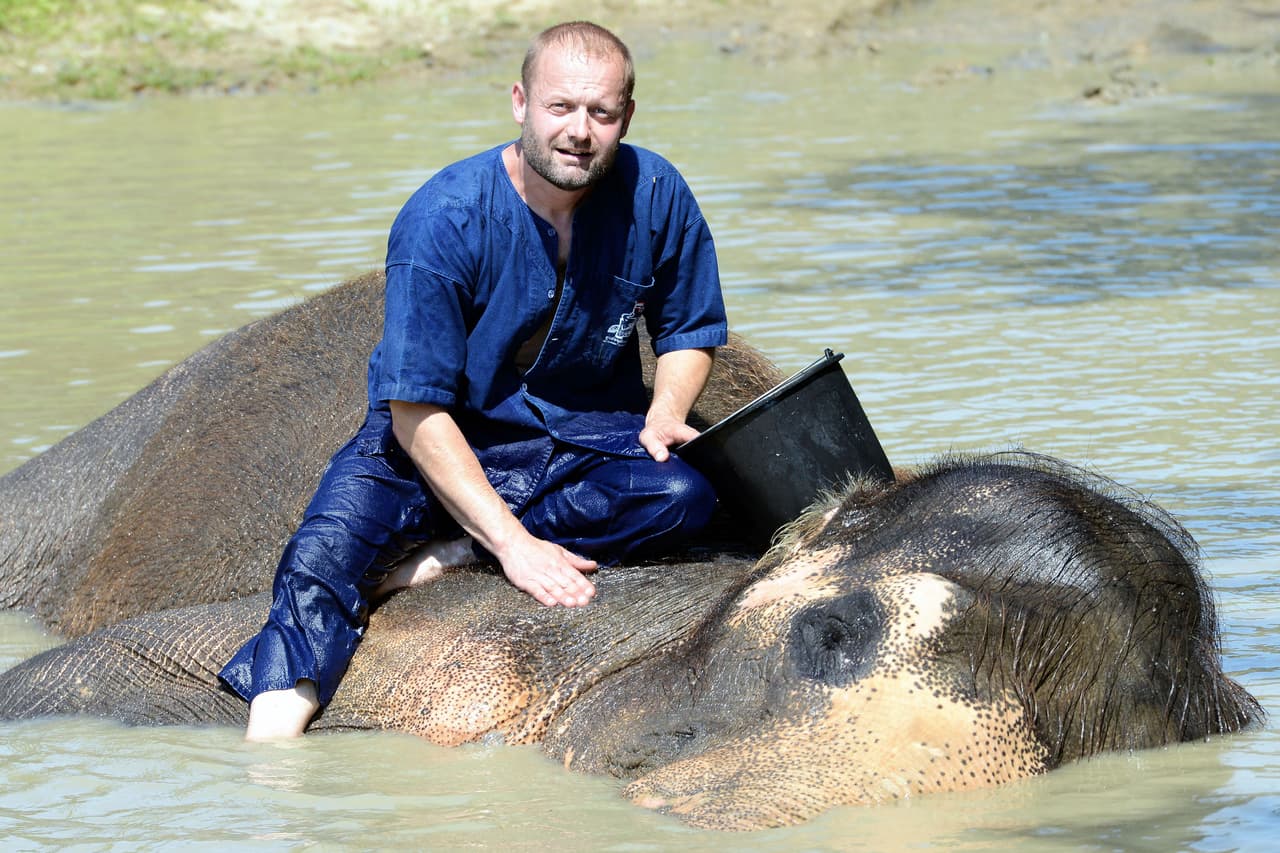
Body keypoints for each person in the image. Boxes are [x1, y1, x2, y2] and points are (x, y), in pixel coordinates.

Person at [219, 21, 729, 740]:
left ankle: (460, 550)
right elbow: (414, 410)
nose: (580, 131)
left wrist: (666, 411)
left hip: (580, 430)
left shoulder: (657, 193)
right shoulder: (445, 218)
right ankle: (270, 763)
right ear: (520, 102)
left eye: (601, 113)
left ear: (626, 118)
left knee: (686, 496)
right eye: (560, 108)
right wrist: (517, 548)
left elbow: (690, 330)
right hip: (433, 443)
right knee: (318, 566)